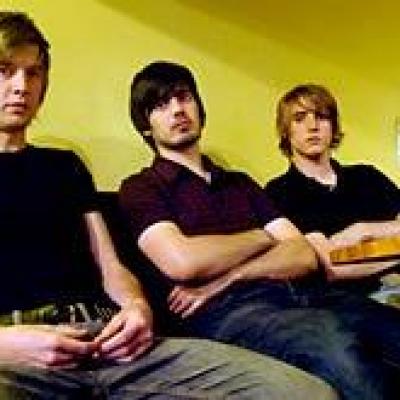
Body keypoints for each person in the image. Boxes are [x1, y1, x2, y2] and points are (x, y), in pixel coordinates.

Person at [0, 12, 339, 399]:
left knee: (303, 392)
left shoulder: (64, 166)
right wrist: (6, 344)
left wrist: (137, 308)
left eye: (33, 73)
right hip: (15, 349)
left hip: (106, 338)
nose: (21, 86)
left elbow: (111, 267)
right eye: (5, 71)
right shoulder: (144, 187)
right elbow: (183, 262)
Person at [119, 60, 400, 399]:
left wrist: (228, 275)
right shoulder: (142, 188)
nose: (178, 109)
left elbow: (303, 254)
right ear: (145, 126)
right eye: (161, 104)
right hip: (229, 311)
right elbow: (184, 262)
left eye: (184, 97)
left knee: (389, 327)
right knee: (336, 342)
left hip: (301, 294)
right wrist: (263, 236)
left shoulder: (240, 183)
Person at [264, 84, 400, 286]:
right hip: (338, 299)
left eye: (321, 116)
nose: (313, 126)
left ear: (333, 126)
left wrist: (362, 231)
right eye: (299, 118)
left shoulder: (367, 176)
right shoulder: (278, 193)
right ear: (286, 131)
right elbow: (329, 267)